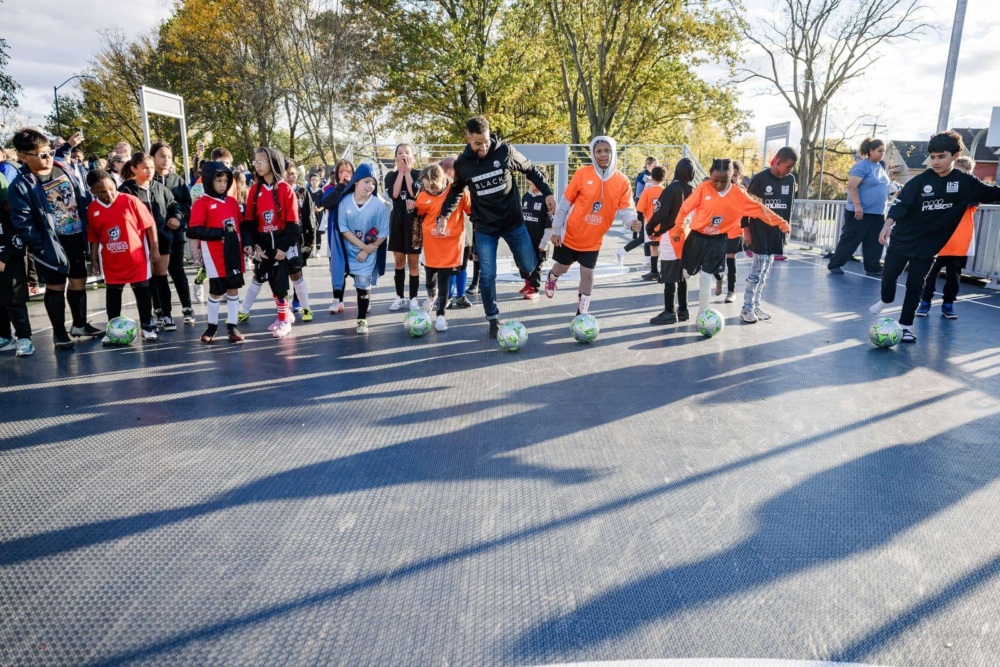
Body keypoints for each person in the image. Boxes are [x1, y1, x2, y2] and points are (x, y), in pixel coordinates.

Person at [871, 131, 1000, 343]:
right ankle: (886, 300)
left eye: (942, 156)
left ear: (956, 156)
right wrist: (887, 225)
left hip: (929, 244)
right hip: (904, 237)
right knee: (889, 276)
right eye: (933, 157)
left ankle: (906, 325)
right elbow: (900, 204)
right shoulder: (920, 181)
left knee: (916, 284)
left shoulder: (965, 183)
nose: (936, 161)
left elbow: (993, 193)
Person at [438, 116, 555, 338]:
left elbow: (530, 169)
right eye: (477, 143)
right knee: (488, 274)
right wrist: (443, 215)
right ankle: (493, 318)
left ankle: (531, 269)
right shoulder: (463, 164)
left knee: (529, 265)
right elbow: (455, 191)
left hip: (512, 221)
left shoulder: (505, 152)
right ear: (467, 139)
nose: (483, 147)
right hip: (485, 226)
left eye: (485, 141)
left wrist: (547, 192)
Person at [7, 128, 103, 350]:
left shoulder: (62, 167)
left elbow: (82, 197)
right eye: (41, 155)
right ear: (24, 157)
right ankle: (59, 333)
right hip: (50, 244)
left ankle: (79, 325)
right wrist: (40, 248)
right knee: (56, 286)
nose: (48, 157)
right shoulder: (22, 185)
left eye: (49, 152)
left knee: (79, 281)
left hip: (76, 237)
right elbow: (23, 222)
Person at [672, 158, 790, 311]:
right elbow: (684, 209)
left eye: (724, 181)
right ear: (710, 175)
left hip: (718, 240)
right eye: (715, 180)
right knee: (686, 274)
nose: (719, 185)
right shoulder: (703, 188)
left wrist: (781, 223)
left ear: (731, 177)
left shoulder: (739, 195)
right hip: (697, 237)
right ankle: (719, 276)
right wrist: (677, 229)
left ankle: (703, 315)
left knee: (705, 277)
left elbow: (761, 211)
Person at [544, 136, 636, 316]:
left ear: (613, 153)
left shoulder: (622, 181)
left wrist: (632, 222)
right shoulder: (582, 174)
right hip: (571, 234)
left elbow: (626, 209)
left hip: (593, 240)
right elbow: (564, 203)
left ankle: (582, 314)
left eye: (607, 150)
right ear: (593, 154)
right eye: (599, 151)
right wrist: (556, 230)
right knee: (563, 267)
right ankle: (552, 277)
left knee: (588, 275)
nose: (603, 155)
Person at [119, 152, 189, 331]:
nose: (149, 171)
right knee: (144, 281)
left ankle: (166, 314)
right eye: (144, 168)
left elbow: (175, 205)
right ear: (134, 169)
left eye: (150, 167)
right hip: (138, 242)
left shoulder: (160, 188)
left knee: (161, 277)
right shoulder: (125, 190)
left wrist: (177, 217)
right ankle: (150, 315)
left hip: (162, 239)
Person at [85, 170, 158, 342]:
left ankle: (147, 326)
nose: (109, 194)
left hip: (136, 257)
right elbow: (94, 237)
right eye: (102, 191)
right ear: (93, 191)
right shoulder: (93, 209)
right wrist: (94, 259)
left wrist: (154, 249)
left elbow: (150, 224)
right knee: (113, 294)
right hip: (111, 260)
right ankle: (112, 330)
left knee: (142, 292)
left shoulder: (130, 201)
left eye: (111, 188)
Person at [238, 147, 300, 338]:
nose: (257, 165)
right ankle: (285, 314)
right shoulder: (254, 190)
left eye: (262, 161)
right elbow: (249, 221)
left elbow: (293, 222)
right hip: (263, 244)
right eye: (255, 161)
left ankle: (284, 320)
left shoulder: (285, 189)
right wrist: (253, 244)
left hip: (280, 243)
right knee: (270, 280)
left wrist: (283, 247)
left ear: (273, 163)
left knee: (281, 283)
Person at [186, 161, 245, 343]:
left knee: (233, 290)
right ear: (209, 181)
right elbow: (193, 230)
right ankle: (212, 326)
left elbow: (241, 225)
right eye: (218, 180)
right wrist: (220, 233)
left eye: (225, 180)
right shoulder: (202, 203)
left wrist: (247, 244)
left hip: (234, 253)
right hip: (214, 255)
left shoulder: (233, 202)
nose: (222, 184)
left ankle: (232, 326)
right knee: (216, 292)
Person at [741, 147, 797, 323]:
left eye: (792, 167)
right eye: (788, 166)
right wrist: (746, 229)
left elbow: (789, 206)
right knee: (757, 270)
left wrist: (785, 229)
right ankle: (746, 308)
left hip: (776, 232)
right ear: (778, 162)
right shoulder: (760, 178)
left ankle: (756, 305)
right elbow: (746, 205)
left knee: (765, 271)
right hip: (760, 230)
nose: (790, 170)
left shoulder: (790, 180)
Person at [916, 155, 976, 320]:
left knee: (953, 277)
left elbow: (973, 200)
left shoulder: (972, 193)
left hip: (958, 243)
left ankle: (948, 305)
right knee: (929, 274)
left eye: (964, 174)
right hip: (937, 241)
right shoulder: (941, 189)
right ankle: (925, 302)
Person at [413, 164, 469, 331]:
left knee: (444, 280)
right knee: (430, 281)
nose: (431, 190)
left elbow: (471, 209)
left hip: (450, 246)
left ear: (443, 179)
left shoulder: (458, 192)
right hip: (431, 247)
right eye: (427, 187)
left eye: (434, 186)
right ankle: (432, 295)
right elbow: (419, 213)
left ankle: (441, 316)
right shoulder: (423, 196)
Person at [337, 163, 389, 334]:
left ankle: (361, 320)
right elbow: (343, 229)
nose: (370, 186)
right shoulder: (345, 202)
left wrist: (367, 250)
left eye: (373, 183)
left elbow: (383, 232)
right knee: (344, 278)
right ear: (356, 181)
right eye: (366, 182)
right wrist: (362, 247)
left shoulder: (378, 205)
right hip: (349, 251)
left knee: (362, 285)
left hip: (368, 252)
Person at [828, 138, 891, 276]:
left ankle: (873, 268)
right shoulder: (862, 166)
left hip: (877, 213)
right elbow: (852, 186)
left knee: (875, 242)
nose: (882, 154)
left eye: (883, 151)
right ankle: (835, 264)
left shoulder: (881, 166)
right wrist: (857, 205)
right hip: (860, 212)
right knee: (851, 239)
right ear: (871, 151)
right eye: (879, 151)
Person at [645, 159, 695, 325]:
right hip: (686, 234)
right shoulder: (692, 190)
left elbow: (661, 212)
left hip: (671, 236)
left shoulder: (672, 189)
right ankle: (683, 309)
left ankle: (669, 311)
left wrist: (651, 228)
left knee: (669, 274)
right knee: (681, 274)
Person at [150, 141, 195, 322]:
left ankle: (187, 308)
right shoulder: (147, 181)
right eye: (161, 156)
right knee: (155, 273)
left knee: (177, 269)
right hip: (154, 235)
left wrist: (178, 218)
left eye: (169, 157)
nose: (166, 160)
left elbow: (186, 204)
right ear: (152, 157)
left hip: (175, 233)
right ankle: (159, 309)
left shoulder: (177, 180)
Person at [0, 169, 33, 356]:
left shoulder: (8, 213)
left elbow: (18, 239)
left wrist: (3, 256)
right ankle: (4, 336)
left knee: (15, 301)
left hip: (10, 263)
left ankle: (24, 338)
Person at [385, 143, 422, 311]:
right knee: (399, 261)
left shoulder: (419, 174)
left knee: (413, 261)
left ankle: (413, 297)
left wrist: (407, 173)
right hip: (397, 219)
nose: (403, 156)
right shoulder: (391, 176)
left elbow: (414, 193)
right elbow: (394, 194)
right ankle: (399, 296)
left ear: (412, 156)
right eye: (400, 153)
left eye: (407, 152)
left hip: (413, 220)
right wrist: (401, 172)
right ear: (395, 157)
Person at [439, 156, 474, 309]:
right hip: (447, 236)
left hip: (464, 235)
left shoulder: (464, 189)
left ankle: (460, 296)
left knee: (463, 266)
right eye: (446, 170)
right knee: (450, 268)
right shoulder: (439, 191)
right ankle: (447, 296)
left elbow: (471, 210)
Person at [322, 159, 356, 314]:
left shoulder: (357, 190)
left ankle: (362, 298)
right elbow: (327, 203)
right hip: (335, 237)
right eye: (342, 172)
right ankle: (337, 299)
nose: (345, 174)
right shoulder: (330, 190)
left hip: (354, 237)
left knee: (357, 267)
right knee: (336, 268)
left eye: (348, 171)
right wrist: (341, 186)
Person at [283, 159, 314, 321]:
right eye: (287, 174)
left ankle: (297, 300)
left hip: (299, 237)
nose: (290, 177)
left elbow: (309, 215)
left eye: (293, 174)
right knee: (282, 271)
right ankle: (283, 304)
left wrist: (311, 239)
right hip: (283, 237)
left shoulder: (303, 191)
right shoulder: (278, 191)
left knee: (297, 270)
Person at [714, 160, 747, 301]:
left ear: (740, 176)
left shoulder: (741, 191)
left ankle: (731, 291)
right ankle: (720, 277)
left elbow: (746, 212)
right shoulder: (719, 189)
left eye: (735, 175)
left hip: (734, 231)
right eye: (730, 174)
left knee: (731, 259)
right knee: (713, 260)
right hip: (718, 231)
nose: (732, 178)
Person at [518, 172, 553, 299]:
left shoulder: (547, 198)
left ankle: (534, 288)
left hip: (539, 240)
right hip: (524, 238)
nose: (531, 182)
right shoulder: (526, 196)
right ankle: (527, 283)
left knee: (537, 264)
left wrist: (545, 242)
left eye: (535, 180)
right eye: (531, 180)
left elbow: (550, 224)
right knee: (522, 260)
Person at [634, 165, 666, 281]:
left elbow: (640, 209)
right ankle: (664, 272)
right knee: (664, 248)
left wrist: (639, 222)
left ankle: (654, 271)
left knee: (653, 247)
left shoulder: (647, 191)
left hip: (651, 224)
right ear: (664, 178)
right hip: (664, 225)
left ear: (652, 177)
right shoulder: (666, 191)